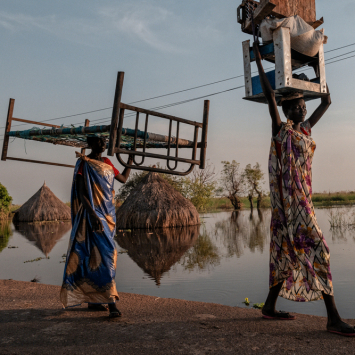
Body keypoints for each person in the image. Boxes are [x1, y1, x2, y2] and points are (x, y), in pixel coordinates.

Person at [253, 41, 355, 336]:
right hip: (290, 205)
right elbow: (271, 94)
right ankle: (333, 318)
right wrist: (261, 62)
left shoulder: (305, 131)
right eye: (296, 106)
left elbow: (327, 101)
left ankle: (269, 307)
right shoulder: (280, 131)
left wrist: (317, 69)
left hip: (302, 201)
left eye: (303, 105)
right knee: (320, 251)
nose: (302, 108)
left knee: (284, 252)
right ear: (286, 110)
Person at [60, 136, 132, 317]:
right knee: (108, 255)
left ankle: (93, 301)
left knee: (96, 255)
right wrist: (92, 215)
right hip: (92, 216)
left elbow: (122, 178)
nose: (103, 144)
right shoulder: (84, 163)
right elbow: (82, 192)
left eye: (104, 141)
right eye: (99, 141)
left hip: (108, 214)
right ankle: (111, 302)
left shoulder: (107, 162)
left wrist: (130, 160)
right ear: (90, 145)